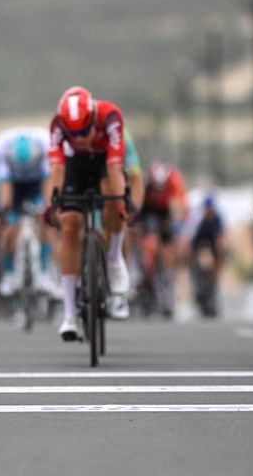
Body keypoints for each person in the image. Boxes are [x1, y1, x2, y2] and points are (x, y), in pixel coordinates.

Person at [44, 85, 133, 341]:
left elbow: (116, 168)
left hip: (105, 164)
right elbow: (57, 168)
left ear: (94, 117)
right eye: (74, 134)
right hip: (76, 168)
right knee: (70, 224)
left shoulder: (111, 117)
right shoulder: (58, 125)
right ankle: (70, 313)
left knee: (114, 201)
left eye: (84, 130)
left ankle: (115, 258)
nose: (80, 138)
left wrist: (122, 204)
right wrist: (54, 202)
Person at [0, 126, 52, 297]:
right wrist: (6, 211)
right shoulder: (1, 147)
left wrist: (47, 207)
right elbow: (5, 187)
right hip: (13, 185)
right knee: (10, 227)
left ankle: (45, 272)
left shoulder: (46, 144)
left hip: (36, 184)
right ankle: (9, 274)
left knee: (46, 221)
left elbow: (48, 182)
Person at [139, 161, 188, 317]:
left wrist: (177, 226)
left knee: (168, 250)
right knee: (149, 245)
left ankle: (167, 276)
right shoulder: (146, 186)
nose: (159, 190)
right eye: (156, 187)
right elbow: (140, 209)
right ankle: (147, 273)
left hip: (166, 213)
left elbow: (180, 206)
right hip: (149, 213)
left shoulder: (174, 181)